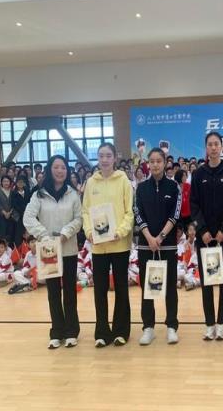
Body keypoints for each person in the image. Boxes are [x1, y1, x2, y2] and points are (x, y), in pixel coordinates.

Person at [23, 155, 82, 349]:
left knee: (70, 292)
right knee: (53, 292)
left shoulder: (72, 194)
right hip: (48, 250)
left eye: (63, 167)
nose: (60, 171)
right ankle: (57, 331)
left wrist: (65, 233)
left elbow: (79, 219)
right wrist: (44, 236)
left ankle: (72, 331)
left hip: (68, 249)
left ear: (67, 171)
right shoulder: (38, 194)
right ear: (49, 169)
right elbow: (28, 218)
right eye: (56, 167)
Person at [82, 143, 134, 348]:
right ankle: (102, 332)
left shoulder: (123, 181)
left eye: (108, 156)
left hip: (119, 244)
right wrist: (89, 232)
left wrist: (119, 232)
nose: (104, 160)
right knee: (100, 290)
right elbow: (86, 212)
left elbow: (129, 212)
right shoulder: (90, 183)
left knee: (121, 288)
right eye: (101, 155)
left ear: (114, 158)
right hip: (98, 247)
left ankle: (121, 331)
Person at [190, 132, 223, 341]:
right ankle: (209, 324)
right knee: (207, 282)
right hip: (204, 238)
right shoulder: (198, 174)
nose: (213, 148)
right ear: (206, 148)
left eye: (216, 144)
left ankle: (222, 324)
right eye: (209, 144)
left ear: (221, 147)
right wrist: (202, 230)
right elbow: (194, 205)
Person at [134, 148, 182, 345]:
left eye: (158, 161)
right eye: (152, 161)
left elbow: (175, 214)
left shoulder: (174, 187)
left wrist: (161, 237)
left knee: (170, 287)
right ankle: (148, 327)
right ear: (148, 163)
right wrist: (149, 237)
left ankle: (171, 326)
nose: (155, 164)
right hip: (146, 246)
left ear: (164, 163)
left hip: (167, 245)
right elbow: (138, 213)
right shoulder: (141, 188)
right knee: (147, 288)